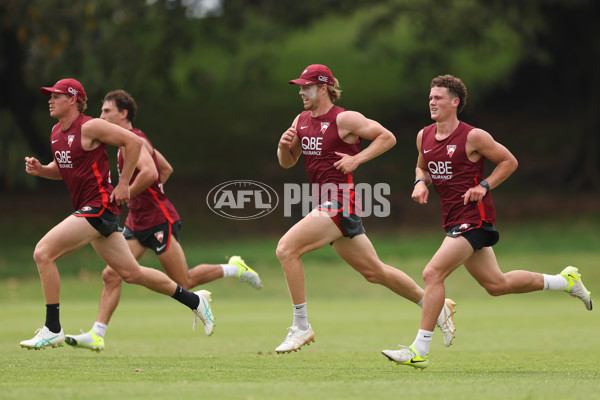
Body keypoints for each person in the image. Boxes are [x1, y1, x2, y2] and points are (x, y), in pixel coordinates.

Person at [382, 74, 593, 369]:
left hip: (474, 219)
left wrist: (485, 185)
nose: (432, 102)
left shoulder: (473, 137)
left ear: (455, 103)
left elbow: (509, 161)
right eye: (430, 97)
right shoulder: (424, 136)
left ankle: (420, 349)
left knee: (432, 274)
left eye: (438, 97)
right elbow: (421, 166)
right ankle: (564, 281)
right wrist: (420, 182)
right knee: (496, 284)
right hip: (452, 219)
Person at [20, 79, 215, 350]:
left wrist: (123, 182)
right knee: (132, 273)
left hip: (98, 206)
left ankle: (53, 328)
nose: (50, 100)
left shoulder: (90, 126)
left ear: (73, 99)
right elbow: (62, 167)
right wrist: (42, 169)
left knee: (43, 252)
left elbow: (133, 142)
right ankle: (195, 301)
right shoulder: (56, 132)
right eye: (50, 96)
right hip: (94, 211)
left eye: (56, 96)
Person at [275, 64, 456, 354]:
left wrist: (356, 159)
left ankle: (300, 326)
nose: (300, 92)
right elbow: (287, 162)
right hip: (323, 201)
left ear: (323, 88)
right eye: (299, 87)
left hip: (339, 201)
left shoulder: (345, 118)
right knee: (375, 272)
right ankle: (436, 308)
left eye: (306, 87)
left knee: (286, 249)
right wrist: (284, 147)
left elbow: (387, 137)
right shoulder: (301, 120)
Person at [63, 90, 262, 352]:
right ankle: (97, 334)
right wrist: (142, 198)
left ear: (123, 114)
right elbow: (165, 170)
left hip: (159, 220)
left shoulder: (135, 141)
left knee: (185, 281)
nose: (101, 115)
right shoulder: (127, 143)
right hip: (136, 220)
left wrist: (129, 192)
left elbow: (151, 172)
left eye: (106, 111)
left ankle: (235, 269)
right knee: (112, 274)